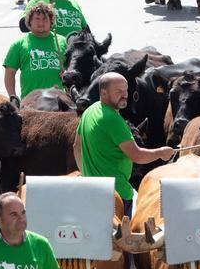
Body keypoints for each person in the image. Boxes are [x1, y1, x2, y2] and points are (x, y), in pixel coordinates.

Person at [75, 72, 175, 208]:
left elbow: (76, 146)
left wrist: (87, 176)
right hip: (117, 194)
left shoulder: (90, 111)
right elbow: (137, 156)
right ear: (104, 93)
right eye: (119, 91)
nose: (125, 95)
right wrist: (161, 153)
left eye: (126, 90)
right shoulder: (112, 119)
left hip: (92, 191)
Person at [4, 2, 66, 99]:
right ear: (29, 22)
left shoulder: (63, 42)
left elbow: (74, 68)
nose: (41, 23)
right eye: (37, 19)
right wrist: (13, 97)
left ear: (51, 21)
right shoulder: (19, 45)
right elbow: (10, 73)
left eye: (45, 19)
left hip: (58, 101)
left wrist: (67, 73)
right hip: (30, 102)